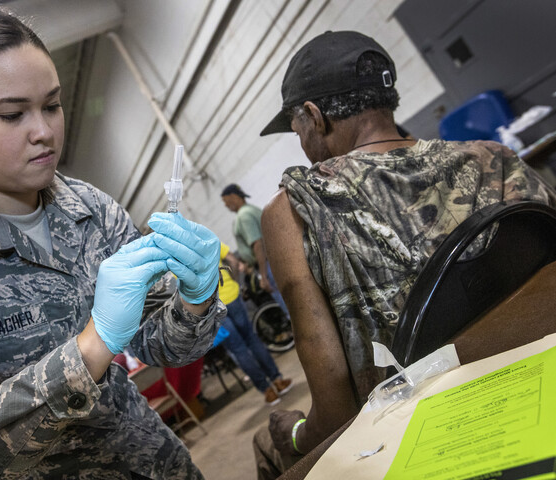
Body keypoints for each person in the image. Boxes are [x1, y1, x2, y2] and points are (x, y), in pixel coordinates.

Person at [0, 6, 225, 479]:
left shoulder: (91, 210)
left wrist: (194, 302)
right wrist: (92, 348)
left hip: (157, 467)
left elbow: (162, 345)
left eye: (51, 105)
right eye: (12, 114)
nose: (44, 132)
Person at [253, 30, 556, 478]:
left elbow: (336, 414)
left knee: (268, 439)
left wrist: (294, 431)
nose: (300, 141)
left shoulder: (296, 209)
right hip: (538, 374)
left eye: (296, 127)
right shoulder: (495, 158)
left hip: (434, 430)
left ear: (314, 117)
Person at [217, 242, 292, 406]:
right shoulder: (204, 237)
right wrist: (234, 281)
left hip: (212, 308)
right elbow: (234, 261)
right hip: (232, 296)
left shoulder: (174, 260)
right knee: (251, 338)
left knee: (238, 349)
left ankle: (268, 391)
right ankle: (277, 380)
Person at [220, 183, 289, 317]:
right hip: (275, 260)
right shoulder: (252, 209)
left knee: (287, 305)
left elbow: (258, 245)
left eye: (225, 201)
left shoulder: (244, 216)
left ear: (233, 197)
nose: (225, 205)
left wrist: (263, 276)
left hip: (268, 266)